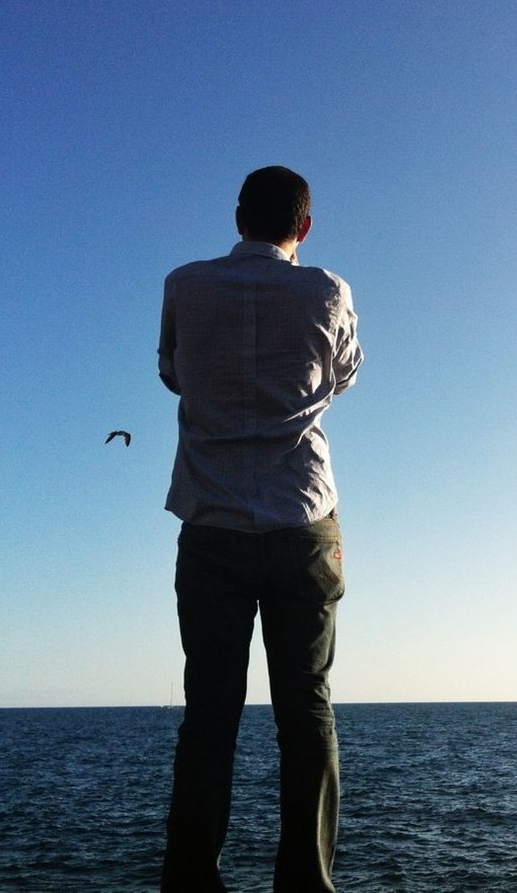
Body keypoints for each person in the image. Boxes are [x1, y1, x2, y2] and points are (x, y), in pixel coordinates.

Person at [158, 166, 363, 892]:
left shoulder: (185, 284)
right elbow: (343, 376)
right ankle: (305, 885)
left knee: (209, 713)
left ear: (237, 215)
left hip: (211, 524)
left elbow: (172, 373)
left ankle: (191, 883)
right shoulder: (327, 290)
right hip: (304, 519)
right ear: (302, 228)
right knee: (305, 709)